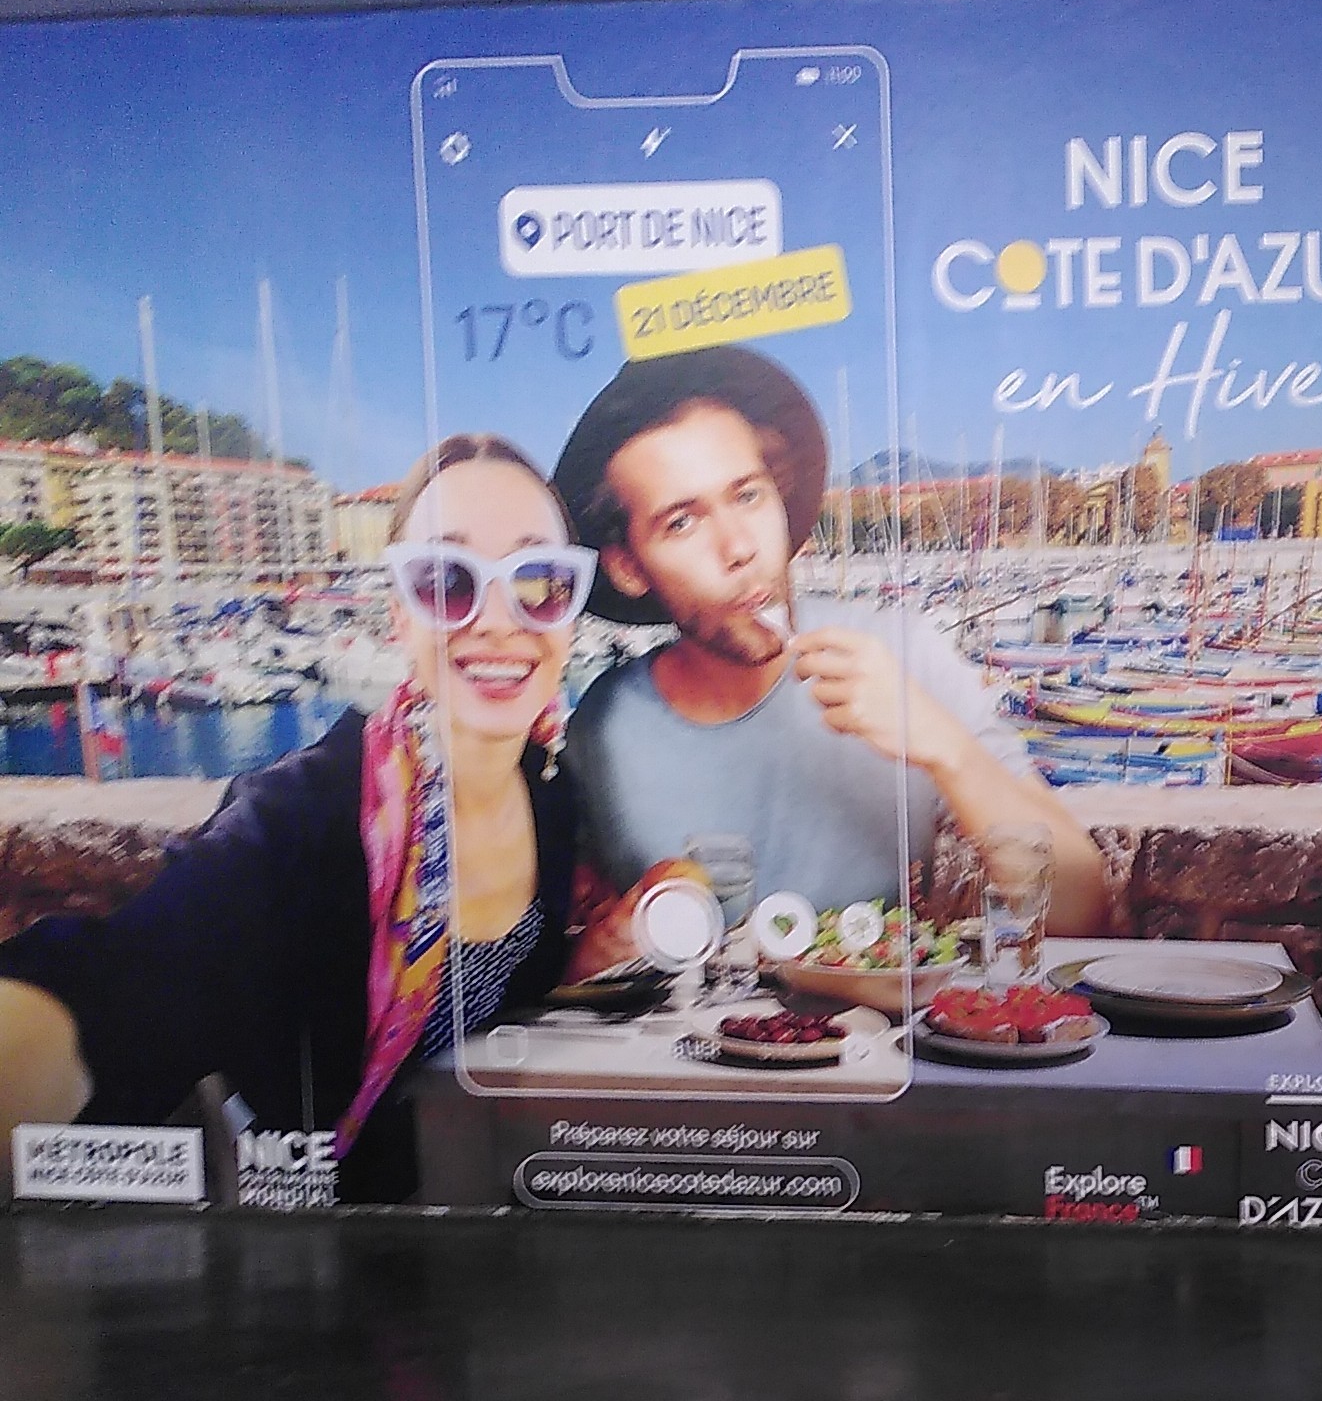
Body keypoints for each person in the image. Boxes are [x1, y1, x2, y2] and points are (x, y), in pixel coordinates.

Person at [0, 434, 595, 1201]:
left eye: (539, 579)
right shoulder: (303, 817)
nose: (499, 621)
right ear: (397, 616)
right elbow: (125, 976)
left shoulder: (548, 788)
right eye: (446, 580)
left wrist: (578, 967)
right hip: (327, 1248)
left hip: (469, 1200)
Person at [552, 346, 1108, 981]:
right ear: (627, 566)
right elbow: (582, 937)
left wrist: (943, 747)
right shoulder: (603, 725)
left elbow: (1081, 910)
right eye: (682, 522)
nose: (738, 548)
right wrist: (590, 957)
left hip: (873, 1063)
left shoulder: (900, 652)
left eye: (748, 497)